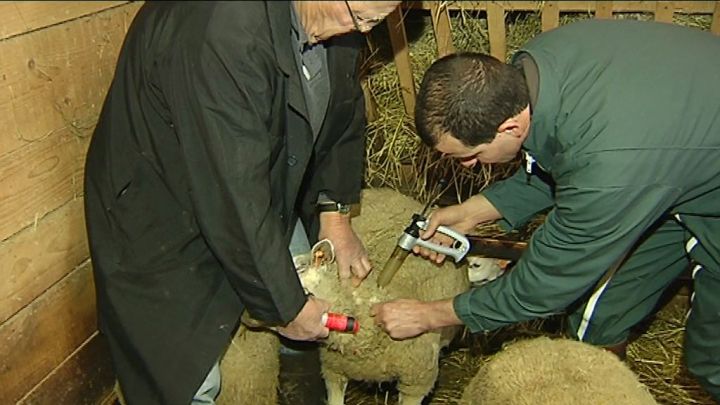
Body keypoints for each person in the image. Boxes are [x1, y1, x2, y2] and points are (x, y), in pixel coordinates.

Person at [371, 19, 720, 400]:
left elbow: (544, 283)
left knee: (712, 357)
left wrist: (430, 315)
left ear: (508, 128)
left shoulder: (609, 165)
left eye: (470, 156)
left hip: (681, 174)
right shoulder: (535, 68)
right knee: (598, 319)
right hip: (674, 161)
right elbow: (562, 156)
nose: (467, 167)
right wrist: (473, 211)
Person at [84, 1, 398, 404]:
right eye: (363, 19)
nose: (364, 31)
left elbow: (342, 107)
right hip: (161, 213)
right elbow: (232, 192)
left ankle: (296, 391)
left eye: (376, 22)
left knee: (304, 289)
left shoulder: (330, 19)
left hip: (254, 183)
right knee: (186, 371)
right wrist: (285, 308)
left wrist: (334, 212)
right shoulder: (221, 31)